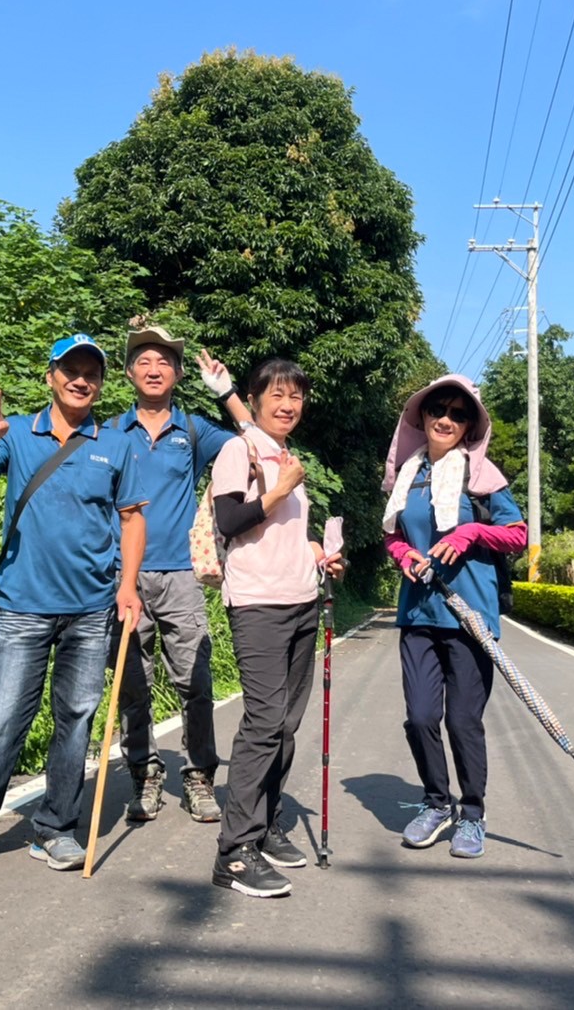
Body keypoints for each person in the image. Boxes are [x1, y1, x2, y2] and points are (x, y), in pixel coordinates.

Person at [0, 333, 146, 873]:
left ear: (100, 383)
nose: (81, 379)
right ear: (50, 375)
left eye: (91, 372)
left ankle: (55, 828)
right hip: (21, 604)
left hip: (91, 607)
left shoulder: (115, 442)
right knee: (2, 718)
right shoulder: (16, 436)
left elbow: (131, 518)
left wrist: (128, 586)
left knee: (75, 719)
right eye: (70, 369)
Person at [106, 325, 254, 825]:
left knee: (195, 680)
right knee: (132, 684)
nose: (153, 369)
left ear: (178, 373)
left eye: (164, 361)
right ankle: (144, 774)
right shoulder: (109, 433)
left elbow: (253, 443)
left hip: (181, 576)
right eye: (144, 361)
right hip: (123, 577)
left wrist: (227, 392)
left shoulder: (192, 431)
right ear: (129, 373)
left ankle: (197, 776)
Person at [209, 358, 344, 898]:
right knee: (264, 722)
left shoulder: (287, 456)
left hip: (301, 600)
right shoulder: (236, 450)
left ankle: (264, 827)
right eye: (278, 395)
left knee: (285, 726)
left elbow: (286, 533)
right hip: (258, 604)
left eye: (296, 397)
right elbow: (231, 522)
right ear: (256, 398)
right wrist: (280, 487)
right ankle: (234, 853)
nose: (288, 405)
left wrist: (318, 553)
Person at [380, 374, 526, 859]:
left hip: (469, 617)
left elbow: (517, 534)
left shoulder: (484, 479)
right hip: (418, 613)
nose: (445, 419)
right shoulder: (408, 475)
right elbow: (394, 534)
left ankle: (473, 814)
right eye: (437, 410)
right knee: (421, 717)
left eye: (458, 413)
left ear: (470, 426)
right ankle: (436, 802)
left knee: (464, 721)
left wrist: (470, 535)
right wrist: (403, 556)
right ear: (421, 418)